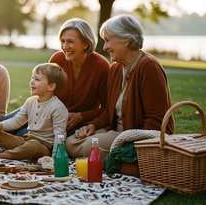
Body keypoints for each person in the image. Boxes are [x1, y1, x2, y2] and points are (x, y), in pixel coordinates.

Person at [66, 14, 175, 160]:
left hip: (137, 137)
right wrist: (92, 126)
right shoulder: (116, 69)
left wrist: (134, 145)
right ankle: (116, 157)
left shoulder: (148, 66)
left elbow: (156, 120)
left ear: (126, 41)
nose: (105, 47)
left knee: (88, 147)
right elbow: (109, 111)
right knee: (70, 142)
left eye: (108, 40)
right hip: (116, 133)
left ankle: (125, 159)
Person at [9, 18, 110, 137]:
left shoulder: (101, 66)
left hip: (69, 123)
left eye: (70, 42)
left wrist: (81, 116)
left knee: (22, 135)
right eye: (62, 41)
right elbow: (45, 93)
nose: (65, 46)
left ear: (86, 43)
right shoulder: (57, 59)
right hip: (44, 110)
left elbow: (107, 109)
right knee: (1, 125)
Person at [0, 63, 68, 161]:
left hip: (43, 148)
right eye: (32, 78)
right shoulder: (30, 101)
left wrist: (55, 159)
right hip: (26, 140)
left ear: (51, 86)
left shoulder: (57, 107)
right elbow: (17, 121)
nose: (32, 82)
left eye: (37, 79)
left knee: (33, 145)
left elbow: (60, 135)